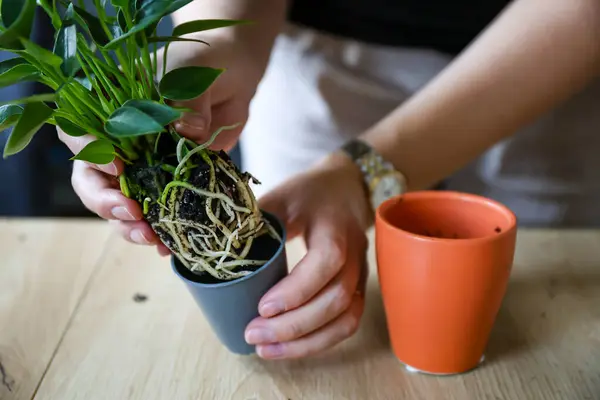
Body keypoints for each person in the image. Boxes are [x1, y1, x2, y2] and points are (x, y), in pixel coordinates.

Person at [59, 0, 600, 360]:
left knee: (540, 308)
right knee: (306, 285)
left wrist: (358, 176)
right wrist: (213, 47)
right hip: (317, 71)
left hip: (539, 74)